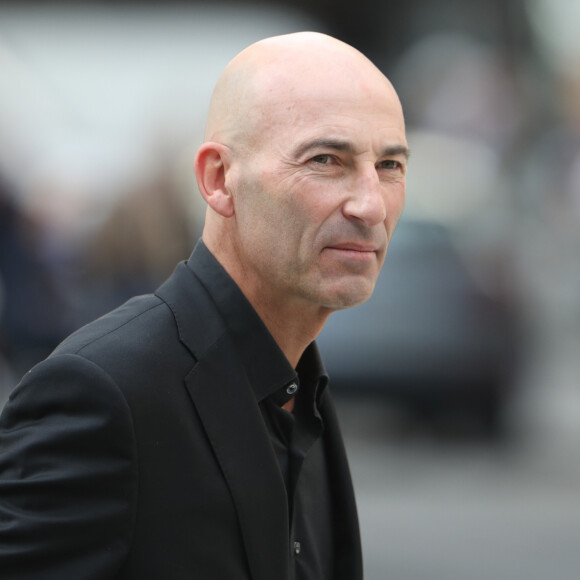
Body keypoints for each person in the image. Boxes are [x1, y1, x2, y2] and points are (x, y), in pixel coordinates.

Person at [0, 31, 408, 579]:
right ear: (219, 179)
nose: (370, 204)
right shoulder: (104, 392)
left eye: (389, 166)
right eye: (326, 159)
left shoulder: (303, 391)